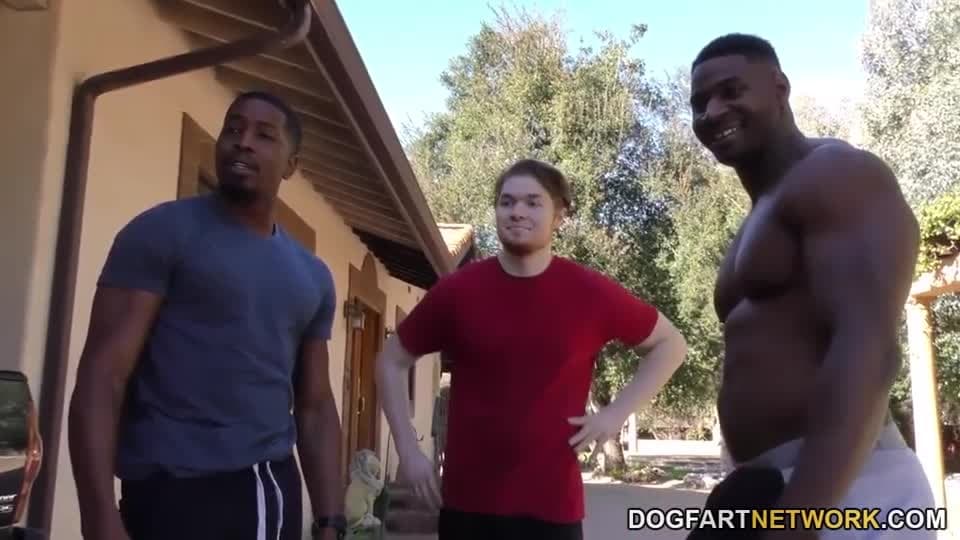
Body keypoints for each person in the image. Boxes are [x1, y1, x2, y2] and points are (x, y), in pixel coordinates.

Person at [687, 33, 934, 538]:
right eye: (699, 102)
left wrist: (798, 519)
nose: (712, 112)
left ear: (780, 88)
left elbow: (868, 346)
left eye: (732, 91)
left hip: (847, 489)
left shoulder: (837, 174)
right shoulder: (760, 215)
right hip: (766, 487)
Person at [68, 91, 346, 540]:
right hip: (167, 493)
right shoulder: (160, 233)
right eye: (233, 129)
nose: (243, 141)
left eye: (264, 135)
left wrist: (331, 519)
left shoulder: (312, 275)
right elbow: (103, 378)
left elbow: (315, 405)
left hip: (266, 492)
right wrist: (98, 515)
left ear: (290, 165)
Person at [375, 158, 688, 539]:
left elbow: (670, 344)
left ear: (559, 216)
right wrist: (408, 450)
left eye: (532, 202)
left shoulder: (590, 293)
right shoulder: (459, 291)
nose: (517, 211)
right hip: (468, 508)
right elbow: (391, 360)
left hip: (552, 509)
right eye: (506, 202)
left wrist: (615, 414)